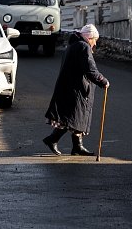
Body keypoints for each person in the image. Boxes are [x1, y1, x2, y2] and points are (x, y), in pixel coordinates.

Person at [43, 23, 110, 156]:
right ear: (89, 38)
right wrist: (103, 80)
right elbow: (90, 70)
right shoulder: (83, 47)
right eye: (95, 40)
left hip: (71, 86)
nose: (95, 43)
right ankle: (52, 139)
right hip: (76, 89)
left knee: (77, 117)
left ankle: (77, 146)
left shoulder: (73, 45)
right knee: (71, 117)